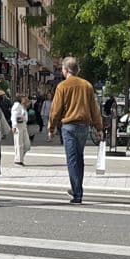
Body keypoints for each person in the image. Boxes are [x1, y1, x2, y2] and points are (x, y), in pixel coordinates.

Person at [48, 56, 103, 204]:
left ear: (66, 70)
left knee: (72, 160)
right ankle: (77, 188)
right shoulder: (87, 85)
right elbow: (94, 109)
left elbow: (55, 110)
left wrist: (51, 128)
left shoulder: (62, 86)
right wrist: (99, 127)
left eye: (62, 69)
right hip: (84, 126)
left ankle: (77, 193)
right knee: (79, 158)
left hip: (69, 127)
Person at [10, 93, 31, 166]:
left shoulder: (22, 106)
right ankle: (18, 160)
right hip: (18, 126)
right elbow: (14, 116)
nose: (25, 99)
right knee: (19, 143)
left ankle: (20, 157)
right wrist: (14, 126)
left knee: (27, 145)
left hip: (23, 125)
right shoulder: (17, 105)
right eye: (24, 97)